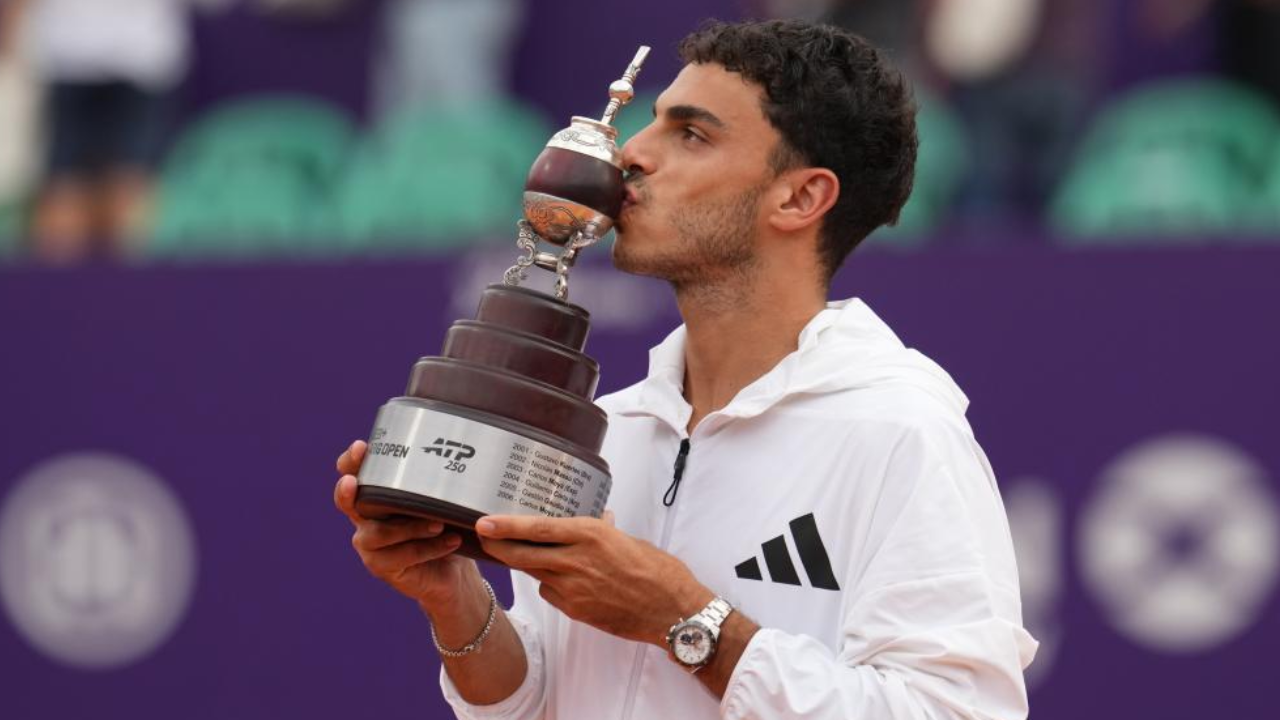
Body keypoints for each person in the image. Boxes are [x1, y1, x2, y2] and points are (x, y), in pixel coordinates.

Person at [334, 18, 1037, 720]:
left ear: (799, 198)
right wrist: (453, 599)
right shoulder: (614, 423)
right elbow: (543, 700)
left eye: (691, 135)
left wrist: (686, 620)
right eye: (652, 123)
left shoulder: (899, 431)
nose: (633, 153)